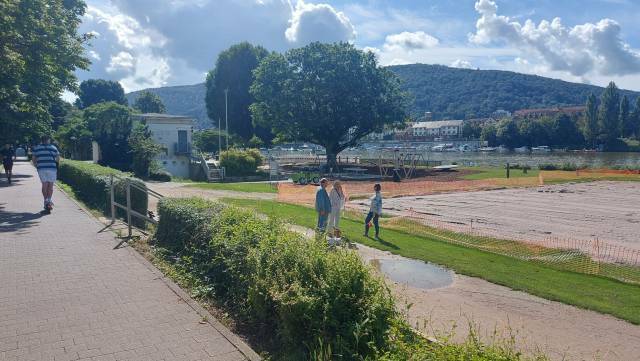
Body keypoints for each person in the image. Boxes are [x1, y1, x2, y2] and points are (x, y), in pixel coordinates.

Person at [32, 136, 60, 211]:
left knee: (44, 184)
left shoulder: (37, 148)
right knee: (50, 185)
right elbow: (57, 158)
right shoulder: (53, 148)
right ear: (48, 140)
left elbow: (34, 159)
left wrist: (37, 166)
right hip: (52, 168)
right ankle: (49, 200)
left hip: (41, 169)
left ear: (42, 140)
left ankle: (45, 201)